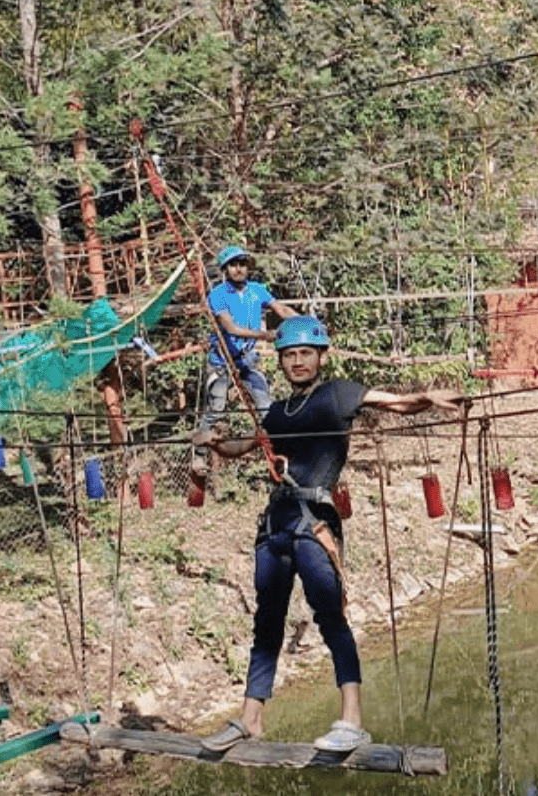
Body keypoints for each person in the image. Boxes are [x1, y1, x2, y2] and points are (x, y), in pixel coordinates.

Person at [192, 315, 463, 753]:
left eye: (305, 354)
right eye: (289, 355)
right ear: (280, 361)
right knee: (267, 624)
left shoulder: (339, 394)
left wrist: (427, 398)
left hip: (313, 521)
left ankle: (352, 720)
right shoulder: (278, 412)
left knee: (330, 618)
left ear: (321, 356)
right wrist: (214, 441)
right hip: (276, 525)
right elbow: (246, 446)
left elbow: (393, 403)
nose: (297, 362)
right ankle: (250, 720)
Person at [200, 245, 297, 431]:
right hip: (222, 361)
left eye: (242, 264)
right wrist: (263, 335)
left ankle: (276, 449)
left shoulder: (257, 290)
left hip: (247, 360)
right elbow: (231, 328)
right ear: (225, 270)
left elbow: (282, 309)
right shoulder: (218, 295)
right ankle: (201, 452)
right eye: (233, 265)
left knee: (265, 406)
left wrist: (305, 321)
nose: (239, 269)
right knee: (217, 409)